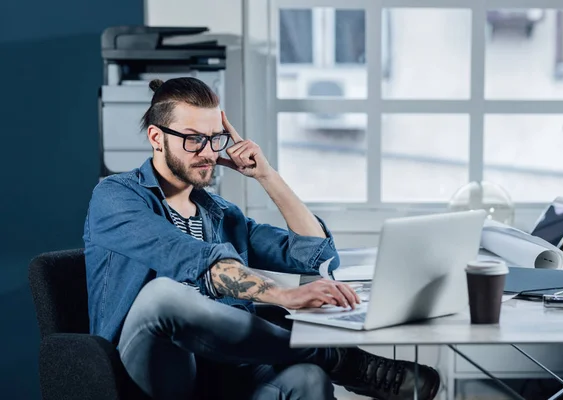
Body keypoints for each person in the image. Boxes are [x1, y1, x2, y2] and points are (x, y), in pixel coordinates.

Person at [83, 77, 440, 400]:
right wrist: (284, 295)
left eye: (214, 138)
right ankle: (337, 357)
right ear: (157, 138)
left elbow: (316, 256)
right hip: (150, 373)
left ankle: (324, 360)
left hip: (224, 375)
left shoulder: (221, 214)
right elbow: (191, 258)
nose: (208, 152)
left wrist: (267, 176)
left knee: (308, 378)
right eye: (193, 139)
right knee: (162, 295)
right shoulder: (116, 197)